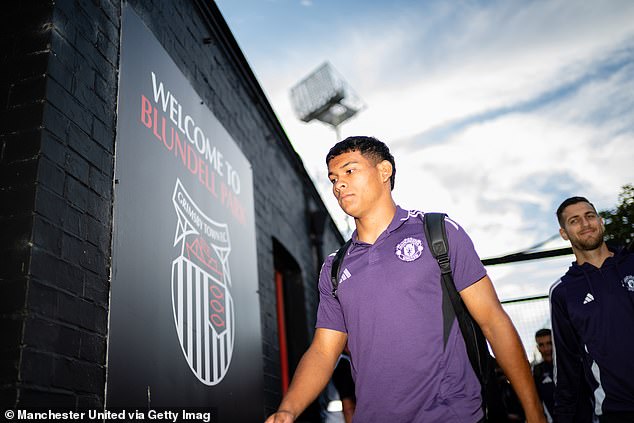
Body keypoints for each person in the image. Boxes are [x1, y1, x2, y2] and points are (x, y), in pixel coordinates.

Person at [265, 136, 545, 423]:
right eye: (333, 179)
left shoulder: (438, 233)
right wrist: (288, 409)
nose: (339, 185)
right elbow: (323, 351)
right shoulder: (334, 268)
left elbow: (494, 322)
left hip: (452, 415)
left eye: (350, 171)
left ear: (384, 171)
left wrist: (535, 411)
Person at [550, 196, 634, 423]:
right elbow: (566, 365)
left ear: (601, 221)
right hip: (616, 412)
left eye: (589, 216)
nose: (585, 223)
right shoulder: (562, 292)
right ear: (564, 233)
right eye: (574, 220)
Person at [532, 329, 554, 422]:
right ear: (538, 348)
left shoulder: (570, 365)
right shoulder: (537, 371)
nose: (546, 349)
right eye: (541, 345)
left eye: (549, 343)